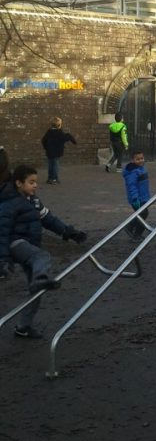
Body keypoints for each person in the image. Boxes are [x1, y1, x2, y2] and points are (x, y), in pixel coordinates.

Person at [0, 163, 87, 338]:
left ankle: (23, 326)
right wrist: (2, 259)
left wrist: (68, 231)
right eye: (31, 182)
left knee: (36, 290)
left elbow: (49, 219)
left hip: (29, 244)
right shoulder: (10, 203)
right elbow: (2, 231)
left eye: (36, 182)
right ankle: (41, 278)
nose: (35, 185)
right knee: (42, 256)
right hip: (15, 243)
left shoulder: (34, 201)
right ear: (18, 183)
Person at [122, 150, 151, 241]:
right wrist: (135, 198)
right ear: (132, 160)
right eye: (137, 159)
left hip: (143, 197)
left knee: (143, 214)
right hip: (137, 199)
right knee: (142, 214)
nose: (140, 160)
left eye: (142, 158)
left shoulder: (141, 168)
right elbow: (132, 186)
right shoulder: (133, 172)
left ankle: (136, 233)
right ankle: (130, 227)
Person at [41, 116, 77, 184]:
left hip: (49, 151)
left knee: (50, 165)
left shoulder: (49, 132)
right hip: (57, 152)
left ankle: (50, 178)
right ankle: (54, 179)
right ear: (59, 125)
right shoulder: (59, 132)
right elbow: (66, 137)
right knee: (55, 165)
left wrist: (46, 147)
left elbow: (43, 140)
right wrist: (74, 141)